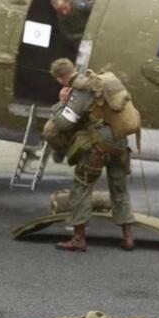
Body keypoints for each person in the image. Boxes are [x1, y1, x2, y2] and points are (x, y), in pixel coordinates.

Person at [45, 58, 135, 252]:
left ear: (60, 79)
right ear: (75, 68)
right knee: (119, 189)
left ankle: (78, 239)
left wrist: (61, 103)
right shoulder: (102, 81)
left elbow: (64, 124)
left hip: (99, 146)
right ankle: (128, 237)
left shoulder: (81, 90)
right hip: (120, 143)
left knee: (82, 187)